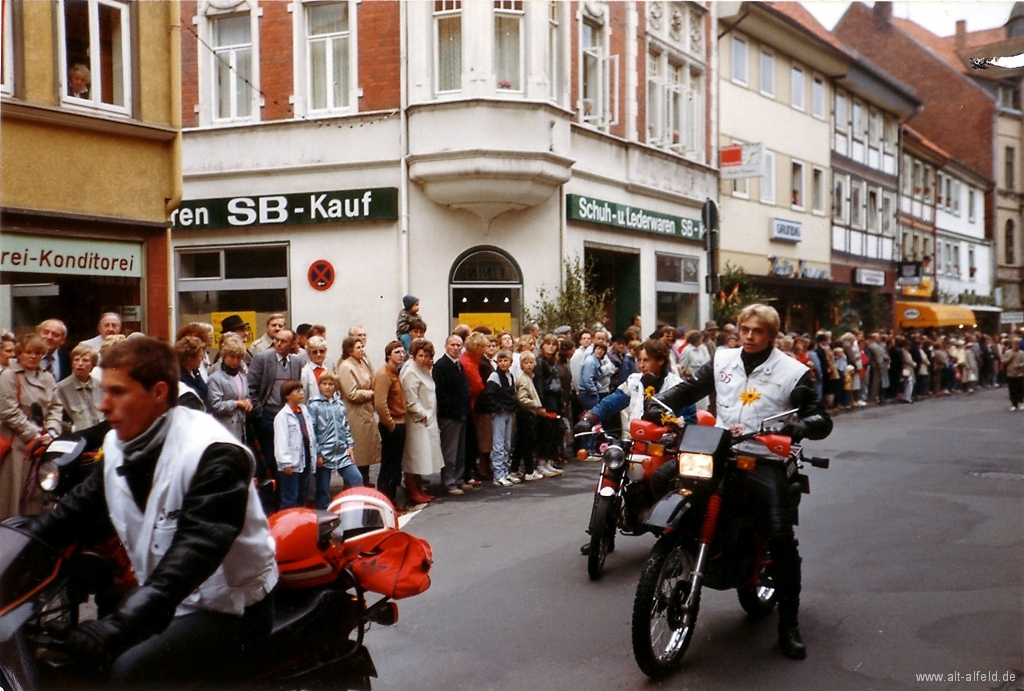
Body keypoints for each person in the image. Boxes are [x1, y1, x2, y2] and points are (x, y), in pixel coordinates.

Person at [24, 337, 276, 688]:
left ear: (158, 393)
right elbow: (68, 515)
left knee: (130, 671)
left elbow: (195, 550)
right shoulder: (120, 444)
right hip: (163, 602)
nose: (103, 406)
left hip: (226, 607)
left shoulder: (214, 454)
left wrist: (120, 623)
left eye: (117, 392)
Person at [650, 304, 832, 661]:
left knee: (779, 534)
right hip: (718, 447)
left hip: (764, 456)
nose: (749, 336)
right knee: (660, 477)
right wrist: (658, 404)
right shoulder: (723, 359)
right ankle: (686, 546)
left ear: (772, 335)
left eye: (758, 331)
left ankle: (789, 626)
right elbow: (689, 389)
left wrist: (801, 427)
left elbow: (819, 416)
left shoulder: (793, 371)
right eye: (745, 329)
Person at [0, 333, 63, 519]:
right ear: (19, 353)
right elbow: (8, 410)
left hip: (44, 442)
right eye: (28, 352)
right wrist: (34, 434)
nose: (33, 356)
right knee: (14, 495)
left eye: (37, 353)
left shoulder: (47, 377)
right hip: (17, 443)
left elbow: (56, 406)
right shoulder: (9, 375)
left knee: (39, 495)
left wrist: (51, 431)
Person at [248, 328, 304, 509]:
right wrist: (259, 412)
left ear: (292, 344)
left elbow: (295, 388)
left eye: (283, 341)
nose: (278, 344)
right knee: (271, 461)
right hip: (268, 414)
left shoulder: (296, 361)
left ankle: (285, 501)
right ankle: (271, 503)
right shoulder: (263, 359)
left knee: (289, 459)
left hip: (289, 415)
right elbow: (252, 389)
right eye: (276, 340)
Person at [400, 338, 444, 504]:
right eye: (420, 355)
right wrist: (422, 414)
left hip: (427, 418)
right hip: (417, 420)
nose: (424, 359)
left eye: (427, 355)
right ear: (414, 355)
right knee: (415, 455)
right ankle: (412, 489)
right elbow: (410, 398)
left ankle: (418, 487)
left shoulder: (423, 369)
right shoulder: (410, 371)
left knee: (422, 455)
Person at [308, 372, 362, 506]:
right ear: (319, 386)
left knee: (357, 478)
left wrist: (350, 446)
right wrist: (318, 453)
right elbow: (312, 432)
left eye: (330, 384)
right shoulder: (314, 405)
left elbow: (345, 427)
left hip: (342, 452)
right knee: (322, 489)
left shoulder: (340, 404)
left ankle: (357, 509)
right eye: (324, 384)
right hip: (324, 454)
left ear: (335, 386)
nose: (327, 387)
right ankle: (324, 519)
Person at [336, 335, 381, 486]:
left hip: (366, 412)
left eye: (362, 347)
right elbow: (351, 393)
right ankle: (354, 486)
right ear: (349, 350)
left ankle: (365, 482)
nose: (362, 350)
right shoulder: (346, 366)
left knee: (367, 453)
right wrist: (370, 394)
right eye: (358, 347)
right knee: (358, 453)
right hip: (355, 414)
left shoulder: (362, 363)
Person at [433, 334, 471, 496]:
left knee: (460, 450)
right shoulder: (441, 366)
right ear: (446, 346)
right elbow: (441, 394)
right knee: (450, 450)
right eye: (452, 345)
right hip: (449, 415)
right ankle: (449, 482)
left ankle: (459, 478)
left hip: (461, 413)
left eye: (458, 345)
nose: (456, 348)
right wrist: (453, 409)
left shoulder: (458, 365)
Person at [273, 379, 318, 509]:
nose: (301, 394)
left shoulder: (304, 410)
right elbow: (281, 440)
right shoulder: (282, 416)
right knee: (290, 497)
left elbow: (310, 433)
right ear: (287, 395)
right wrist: (286, 462)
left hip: (304, 459)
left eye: (302, 390)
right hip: (291, 463)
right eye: (297, 391)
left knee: (301, 495)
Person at [373, 341, 407, 504]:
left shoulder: (395, 372)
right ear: (388, 355)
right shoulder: (384, 374)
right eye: (397, 352)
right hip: (392, 425)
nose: (401, 354)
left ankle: (390, 498)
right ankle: (386, 499)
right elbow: (380, 403)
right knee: (389, 466)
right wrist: (391, 424)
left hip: (400, 422)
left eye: (402, 351)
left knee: (395, 465)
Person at [484, 349, 519, 487]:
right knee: (498, 444)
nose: (503, 363)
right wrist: (498, 407)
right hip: (499, 414)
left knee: (506, 443)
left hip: (509, 412)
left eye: (506, 360)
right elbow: (488, 395)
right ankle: (498, 474)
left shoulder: (509, 376)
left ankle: (505, 471)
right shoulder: (494, 377)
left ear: (510, 362)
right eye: (500, 361)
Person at [206, 336, 251, 442]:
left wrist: (248, 402)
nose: (235, 361)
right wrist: (236, 403)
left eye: (239, 357)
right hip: (224, 428)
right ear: (224, 356)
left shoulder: (242, 376)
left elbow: (246, 395)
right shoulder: (215, 378)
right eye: (232, 357)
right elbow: (216, 405)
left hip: (241, 427)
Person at [533, 335, 563, 477]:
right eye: (548, 344)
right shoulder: (540, 362)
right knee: (545, 432)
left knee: (553, 433)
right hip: (547, 399)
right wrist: (541, 405)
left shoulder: (552, 362)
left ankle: (548, 461)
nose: (551, 346)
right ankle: (541, 462)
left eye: (554, 344)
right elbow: (539, 384)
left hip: (555, 399)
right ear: (543, 345)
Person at [57, 343, 104, 432]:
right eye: (76, 360)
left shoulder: (100, 385)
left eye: (85, 360)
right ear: (72, 364)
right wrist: (71, 429)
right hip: (79, 437)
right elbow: (57, 417)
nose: (80, 364)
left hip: (101, 435)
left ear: (93, 365)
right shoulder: (61, 388)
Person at [513, 351, 544, 481]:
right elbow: (522, 398)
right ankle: (529, 470)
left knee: (521, 443)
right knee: (527, 443)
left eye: (531, 362)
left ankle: (514, 468)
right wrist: (536, 404)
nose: (529, 365)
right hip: (527, 413)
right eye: (526, 363)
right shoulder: (524, 379)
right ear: (521, 365)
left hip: (527, 413)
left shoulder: (529, 377)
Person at [175, 336, 209, 411]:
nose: (202, 359)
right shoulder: (179, 377)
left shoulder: (195, 371)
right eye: (200, 356)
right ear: (189, 359)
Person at [301, 335, 331, 403]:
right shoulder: (305, 372)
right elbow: (303, 398)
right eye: (314, 352)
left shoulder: (327, 370)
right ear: (309, 354)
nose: (319, 354)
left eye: (321, 351)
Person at [577, 342, 607, 410]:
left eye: (602, 350)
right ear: (594, 349)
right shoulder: (590, 361)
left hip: (589, 393)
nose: (600, 351)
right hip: (588, 394)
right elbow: (587, 380)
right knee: (592, 417)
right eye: (598, 348)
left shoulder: (596, 360)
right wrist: (594, 391)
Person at [1002, 338, 1024, 410]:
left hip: (1019, 374)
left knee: (1020, 388)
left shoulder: (1022, 353)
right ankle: (1014, 404)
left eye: (1018, 344)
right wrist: (1010, 358)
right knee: (1012, 389)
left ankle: (1021, 401)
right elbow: (1004, 361)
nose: (1016, 346)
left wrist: (1018, 366)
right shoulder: (1008, 352)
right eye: (1015, 344)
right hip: (1010, 373)